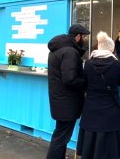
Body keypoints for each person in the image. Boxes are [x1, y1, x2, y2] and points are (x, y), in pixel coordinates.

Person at [76, 31, 120, 159]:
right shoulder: (117, 64)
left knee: (90, 135)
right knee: (108, 139)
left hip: (91, 106)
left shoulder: (87, 63)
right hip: (110, 108)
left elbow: (84, 82)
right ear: (111, 49)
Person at [46, 24, 90, 159]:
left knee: (60, 134)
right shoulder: (70, 52)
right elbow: (70, 79)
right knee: (61, 137)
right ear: (78, 36)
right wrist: (85, 83)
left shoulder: (56, 50)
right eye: (84, 37)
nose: (85, 40)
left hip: (60, 100)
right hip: (67, 102)